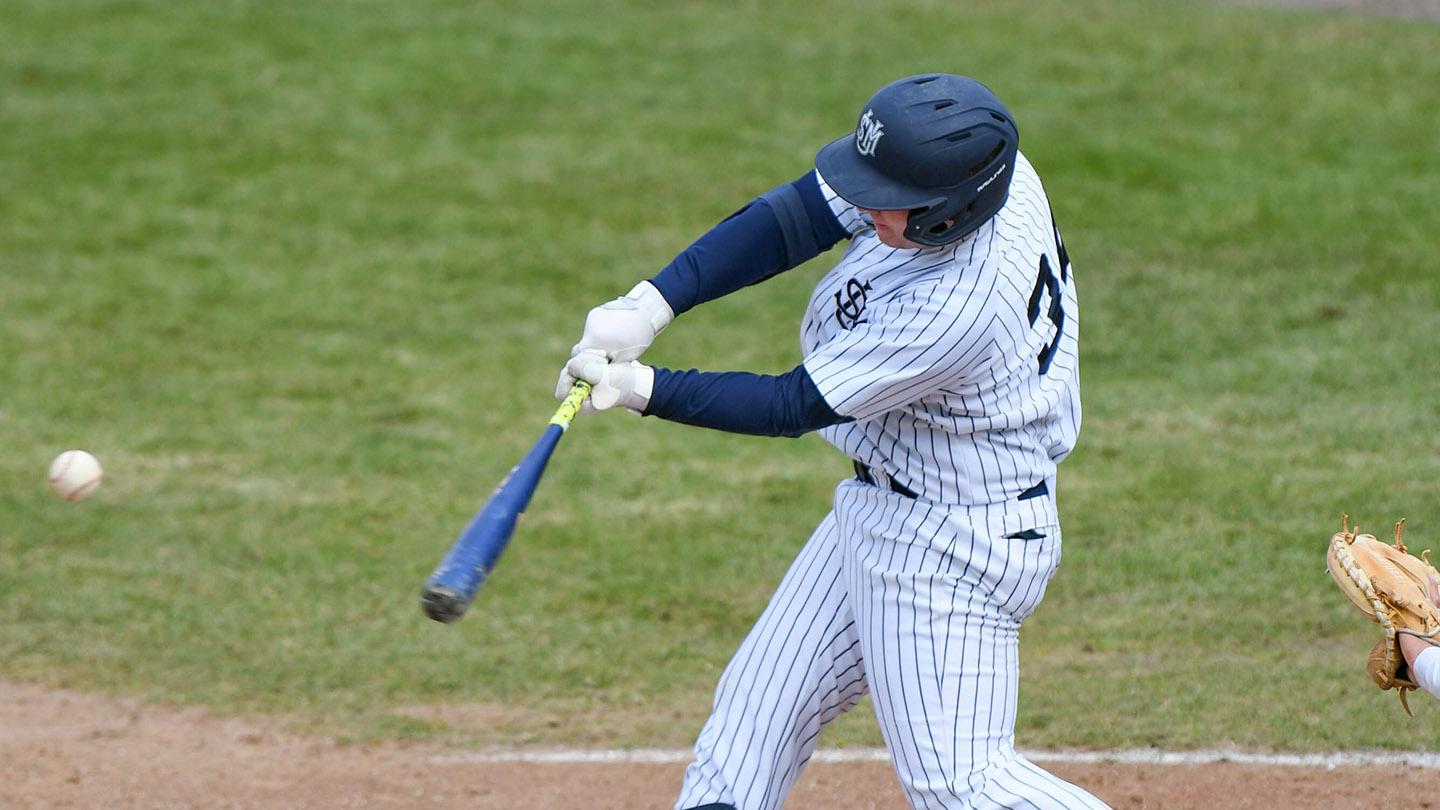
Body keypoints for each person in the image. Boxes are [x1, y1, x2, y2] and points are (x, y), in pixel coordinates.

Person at [556, 73, 1112, 810]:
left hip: (950, 544)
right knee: (750, 729)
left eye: (890, 200)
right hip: (888, 504)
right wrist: (653, 302)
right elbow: (799, 214)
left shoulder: (958, 307)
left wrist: (643, 389)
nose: (868, 204)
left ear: (950, 216)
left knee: (960, 786)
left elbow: (794, 403)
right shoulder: (977, 174)